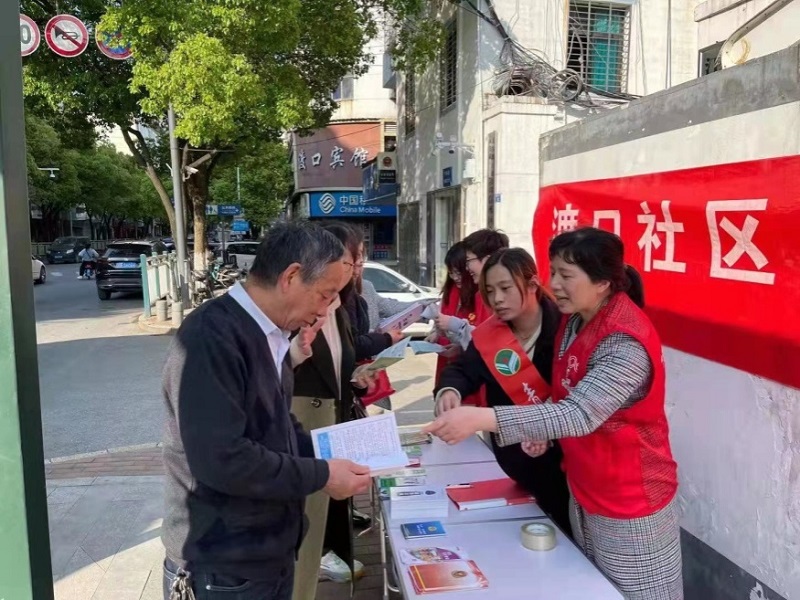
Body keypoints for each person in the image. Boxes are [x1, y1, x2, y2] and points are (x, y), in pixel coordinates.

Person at [425, 228, 682, 600]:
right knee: (592, 590)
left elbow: (579, 413)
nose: (554, 284)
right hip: (583, 487)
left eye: (566, 275)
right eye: (554, 272)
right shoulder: (576, 322)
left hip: (629, 500)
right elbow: (565, 395)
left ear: (602, 282)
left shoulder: (623, 341)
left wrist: (482, 419)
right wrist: (542, 429)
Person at [161, 221, 372, 600]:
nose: (326, 311)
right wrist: (323, 473)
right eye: (325, 295)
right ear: (291, 276)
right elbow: (223, 459)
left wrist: (335, 452)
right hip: (223, 564)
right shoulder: (211, 338)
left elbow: (277, 426)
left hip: (265, 551)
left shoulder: (270, 335)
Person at [433, 248, 572, 536]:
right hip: (515, 462)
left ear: (532, 284)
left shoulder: (566, 328)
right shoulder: (490, 334)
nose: (497, 299)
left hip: (566, 467)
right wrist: (449, 390)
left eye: (505, 288)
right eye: (489, 290)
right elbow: (463, 370)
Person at [289, 221, 373, 599]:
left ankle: (327, 558)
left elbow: (341, 362)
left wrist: (356, 378)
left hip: (333, 419)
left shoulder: (339, 307)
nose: (356, 268)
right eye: (352, 260)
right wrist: (295, 352)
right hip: (304, 425)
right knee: (306, 521)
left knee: (327, 511)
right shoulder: (298, 309)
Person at [429, 242, 488, 407]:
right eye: (451, 272)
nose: (455, 277)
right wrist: (436, 333)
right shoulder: (451, 290)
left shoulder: (481, 296)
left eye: (458, 272)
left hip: (471, 370)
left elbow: (483, 339)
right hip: (449, 364)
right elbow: (441, 317)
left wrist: (456, 331)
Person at [433, 229, 507, 349]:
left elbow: (494, 339)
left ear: (487, 260)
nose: (467, 268)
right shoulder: (480, 295)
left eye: (468, 261)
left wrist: (455, 325)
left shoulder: (505, 296)